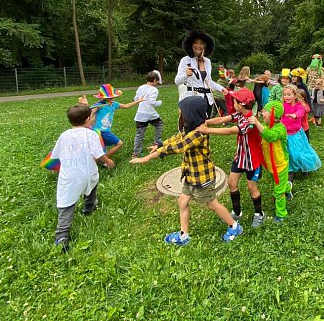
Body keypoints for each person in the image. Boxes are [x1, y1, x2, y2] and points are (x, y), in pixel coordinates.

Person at [130, 96, 243, 245]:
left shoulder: (198, 133)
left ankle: (234, 227)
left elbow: (180, 146)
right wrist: (160, 144)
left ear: (191, 114)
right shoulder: (191, 127)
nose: (179, 113)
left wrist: (148, 157)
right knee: (182, 202)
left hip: (202, 177)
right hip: (191, 174)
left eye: (182, 111)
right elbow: (177, 138)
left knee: (212, 204)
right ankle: (184, 236)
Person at [197, 88, 266, 228]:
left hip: (252, 160)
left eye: (234, 101)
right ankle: (237, 211)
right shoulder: (239, 114)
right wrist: (205, 122)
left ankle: (259, 214)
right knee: (232, 183)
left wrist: (207, 130)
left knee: (251, 187)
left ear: (240, 104)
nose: (233, 103)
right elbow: (222, 119)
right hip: (240, 157)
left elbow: (230, 130)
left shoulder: (250, 121)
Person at [53, 104, 115, 252]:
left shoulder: (64, 135)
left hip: (69, 176)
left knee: (66, 203)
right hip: (87, 173)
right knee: (91, 188)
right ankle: (88, 208)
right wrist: (108, 161)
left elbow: (57, 155)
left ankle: (62, 236)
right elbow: (98, 154)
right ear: (88, 119)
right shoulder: (91, 134)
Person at [248, 100, 292, 222]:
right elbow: (263, 134)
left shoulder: (281, 128)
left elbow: (270, 136)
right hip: (272, 165)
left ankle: (281, 214)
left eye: (265, 111)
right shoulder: (267, 126)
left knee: (278, 192)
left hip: (281, 165)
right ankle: (287, 188)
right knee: (281, 184)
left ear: (273, 114)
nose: (262, 113)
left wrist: (257, 123)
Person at [79, 84, 143, 158]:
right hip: (100, 131)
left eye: (112, 96)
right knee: (119, 143)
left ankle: (100, 159)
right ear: (103, 97)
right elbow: (89, 114)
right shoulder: (99, 105)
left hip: (105, 130)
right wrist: (85, 106)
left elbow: (126, 106)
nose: (111, 98)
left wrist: (138, 101)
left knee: (102, 147)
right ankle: (104, 159)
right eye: (109, 97)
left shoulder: (114, 104)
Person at [175, 30, 227, 116]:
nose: (198, 46)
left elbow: (208, 81)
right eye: (195, 42)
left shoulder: (207, 61)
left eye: (201, 43)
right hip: (193, 99)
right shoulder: (185, 60)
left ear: (205, 45)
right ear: (191, 44)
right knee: (194, 124)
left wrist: (221, 88)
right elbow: (177, 81)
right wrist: (186, 75)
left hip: (208, 100)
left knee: (206, 123)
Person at [281, 84, 322, 184]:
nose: (286, 97)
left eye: (289, 94)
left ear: (295, 95)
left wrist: (295, 115)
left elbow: (301, 112)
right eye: (285, 95)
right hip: (285, 134)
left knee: (299, 153)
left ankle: (305, 166)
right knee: (288, 153)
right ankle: (290, 171)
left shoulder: (299, 106)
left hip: (296, 135)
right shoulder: (283, 106)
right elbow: (277, 113)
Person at [132, 71, 163, 158]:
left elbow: (136, 99)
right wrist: (159, 102)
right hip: (150, 114)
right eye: (157, 82)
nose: (157, 84)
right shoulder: (154, 90)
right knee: (159, 124)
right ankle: (157, 143)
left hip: (140, 115)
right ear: (154, 80)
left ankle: (136, 153)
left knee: (139, 134)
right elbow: (152, 102)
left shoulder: (140, 87)